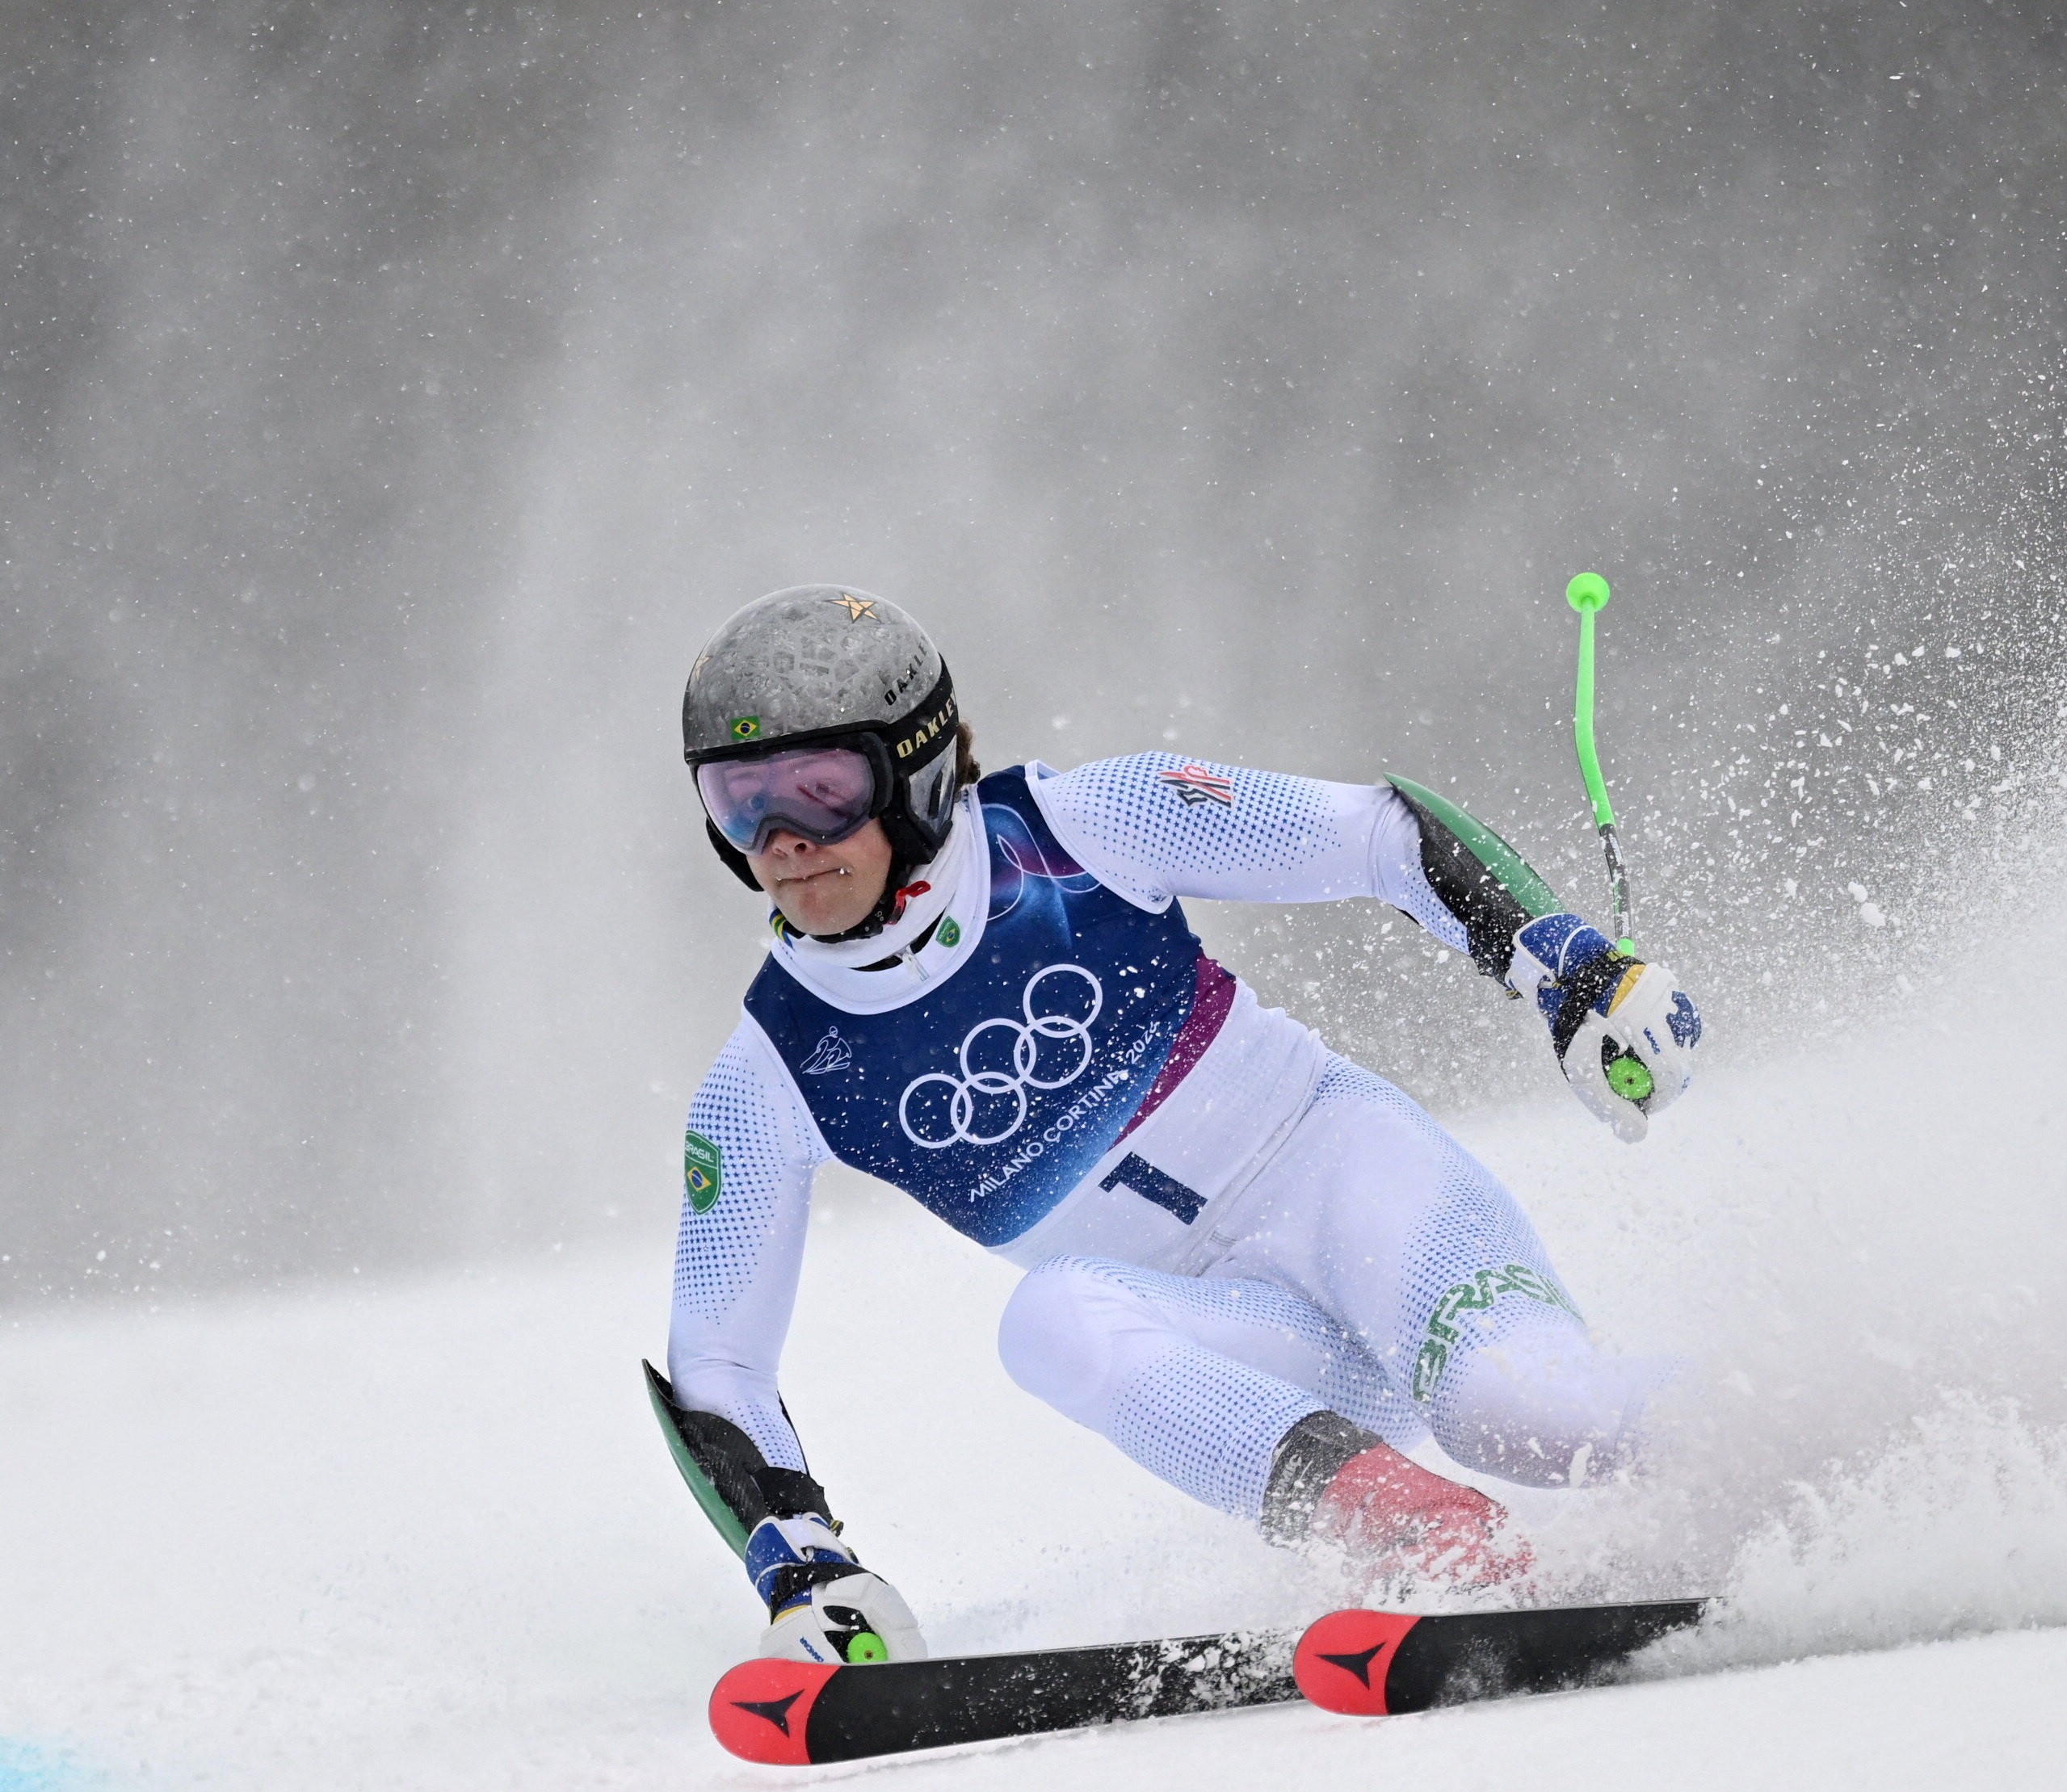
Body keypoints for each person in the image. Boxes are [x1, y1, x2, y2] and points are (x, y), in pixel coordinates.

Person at [647, 585, 1705, 1666]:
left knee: (1513, 1410)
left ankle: (1792, 1446)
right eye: (740, 803)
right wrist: (806, 1567)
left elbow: (1379, 837)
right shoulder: (769, 1074)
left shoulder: (1080, 826)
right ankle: (1421, 1540)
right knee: (1049, 1319)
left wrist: (1570, 969)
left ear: (912, 771)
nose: (783, 842)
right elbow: (717, 1364)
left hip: (1357, 1195)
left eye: (820, 791)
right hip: (1257, 1346)